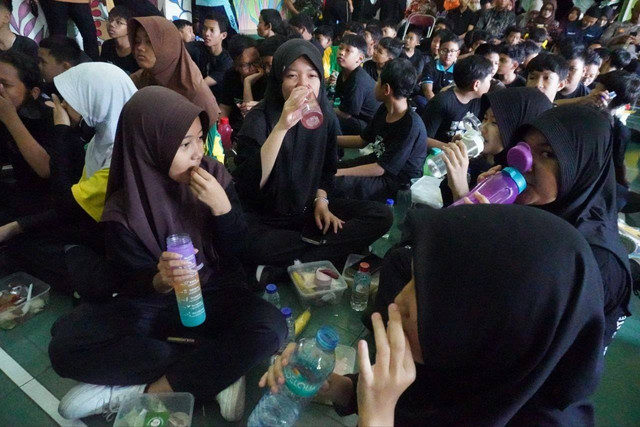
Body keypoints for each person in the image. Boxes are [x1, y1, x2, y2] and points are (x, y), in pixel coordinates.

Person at [49, 86, 286, 423]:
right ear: (150, 146)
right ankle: (217, 366)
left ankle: (149, 392)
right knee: (65, 347)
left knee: (272, 328)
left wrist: (224, 210)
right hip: (159, 304)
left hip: (217, 290)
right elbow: (130, 285)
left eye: (200, 138)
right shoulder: (124, 209)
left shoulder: (215, 177)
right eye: (184, 144)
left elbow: (238, 252)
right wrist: (158, 279)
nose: (197, 152)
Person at [263, 204, 606, 425]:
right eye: (412, 280)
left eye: (422, 304)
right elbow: (427, 395)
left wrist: (377, 420)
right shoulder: (478, 372)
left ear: (493, 334)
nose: (397, 302)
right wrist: (336, 388)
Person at [233, 39, 391, 284]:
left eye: (312, 75)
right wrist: (282, 127)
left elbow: (328, 170)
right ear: (278, 79)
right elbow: (248, 186)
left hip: (308, 211)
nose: (303, 84)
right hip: (267, 220)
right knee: (247, 245)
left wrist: (322, 201)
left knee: (381, 216)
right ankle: (332, 254)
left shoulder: (323, 115)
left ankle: (287, 266)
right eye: (292, 75)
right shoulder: (259, 118)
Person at [480, 105, 632, 347]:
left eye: (547, 154)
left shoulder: (595, 260)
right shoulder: (534, 209)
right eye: (525, 149)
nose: (525, 165)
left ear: (583, 166)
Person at [1, 63, 137, 291]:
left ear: (97, 98)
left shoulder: (119, 156)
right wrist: (16, 227)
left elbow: (65, 203)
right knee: (19, 238)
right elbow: (72, 202)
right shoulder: (100, 142)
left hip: (111, 246)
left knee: (25, 249)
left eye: (69, 99)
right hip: (88, 226)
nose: (61, 106)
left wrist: (61, 130)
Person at [333, 58, 426, 201]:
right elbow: (362, 140)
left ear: (386, 89)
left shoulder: (410, 125)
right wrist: (328, 139)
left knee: (336, 180)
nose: (374, 85)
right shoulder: (384, 108)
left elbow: (381, 169)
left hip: (394, 181)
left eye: (378, 81)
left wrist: (340, 173)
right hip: (377, 161)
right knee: (330, 167)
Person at [443, 86, 552, 202]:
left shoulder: (513, 188)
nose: (482, 128)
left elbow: (464, 218)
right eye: (485, 118)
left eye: (494, 122)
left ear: (517, 131)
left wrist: (461, 191)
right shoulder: (487, 167)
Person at [129, 16, 220, 127]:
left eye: (149, 42)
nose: (140, 48)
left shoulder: (195, 92)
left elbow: (208, 139)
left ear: (168, 46)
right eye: (137, 41)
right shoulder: (137, 80)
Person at [0, 52, 56, 228]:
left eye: (5, 85)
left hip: (49, 208)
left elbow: (46, 169)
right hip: (17, 193)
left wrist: (10, 118)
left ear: (34, 92)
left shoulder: (48, 117)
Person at [422, 54, 492, 149]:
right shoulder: (442, 102)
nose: (490, 84)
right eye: (489, 80)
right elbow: (423, 139)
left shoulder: (478, 100)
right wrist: (451, 148)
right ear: (476, 85)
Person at [592, 71, 640, 205]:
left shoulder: (617, 131)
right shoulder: (621, 131)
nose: (593, 90)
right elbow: (617, 164)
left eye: (597, 88)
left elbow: (617, 164)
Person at [218, 35, 264, 138]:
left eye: (256, 61)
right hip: (236, 130)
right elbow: (225, 108)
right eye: (247, 65)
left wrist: (247, 82)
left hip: (258, 130)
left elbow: (250, 116)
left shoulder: (266, 77)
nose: (254, 68)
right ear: (236, 66)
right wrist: (221, 134)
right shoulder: (230, 75)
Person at [334, 34, 381, 135]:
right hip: (355, 118)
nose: (341, 53)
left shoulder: (358, 79)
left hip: (368, 126)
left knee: (327, 118)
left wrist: (324, 108)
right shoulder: (343, 73)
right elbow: (338, 101)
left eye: (348, 51)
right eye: (340, 48)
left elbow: (346, 114)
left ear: (360, 58)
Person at [186, 12, 233, 100]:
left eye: (212, 30)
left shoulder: (226, 61)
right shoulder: (196, 47)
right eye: (204, 28)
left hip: (215, 102)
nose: (206, 33)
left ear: (223, 35)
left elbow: (202, 85)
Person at [421, 30, 460, 100]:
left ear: (457, 53)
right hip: (430, 102)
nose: (448, 54)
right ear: (439, 51)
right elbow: (428, 91)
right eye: (445, 50)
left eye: (452, 51)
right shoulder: (430, 66)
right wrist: (438, 108)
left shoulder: (459, 70)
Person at [100, 6, 139, 75]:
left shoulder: (138, 51)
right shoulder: (107, 46)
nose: (111, 24)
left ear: (130, 26)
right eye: (110, 20)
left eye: (119, 22)